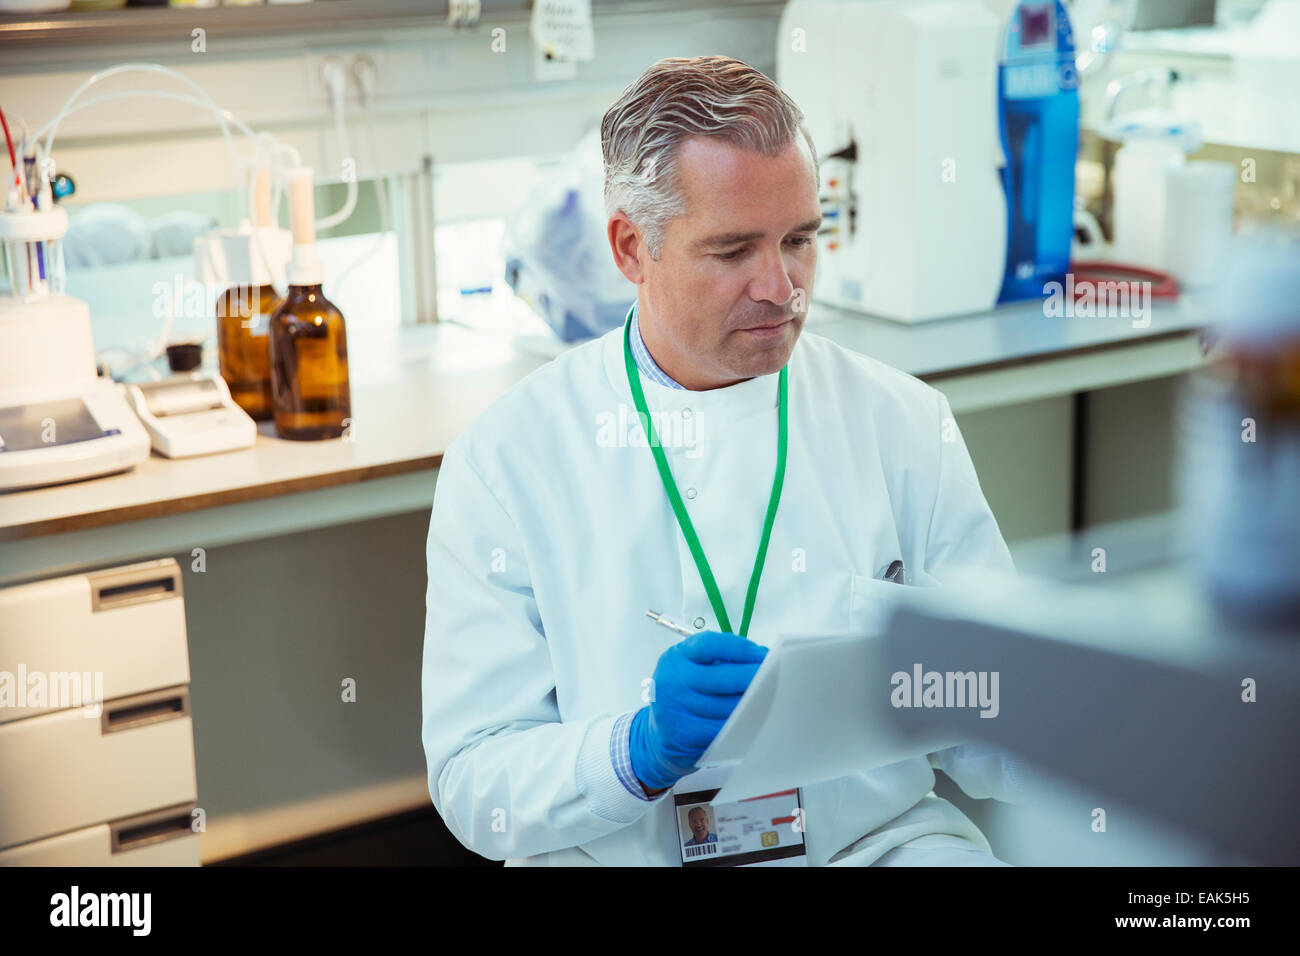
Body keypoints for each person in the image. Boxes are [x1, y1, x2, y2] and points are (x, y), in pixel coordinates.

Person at [422, 55, 1024, 867]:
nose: (781, 287)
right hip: (619, 853)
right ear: (633, 248)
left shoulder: (902, 422)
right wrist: (633, 752)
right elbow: (474, 782)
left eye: (800, 240)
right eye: (733, 250)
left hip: (871, 847)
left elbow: (998, 737)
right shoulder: (509, 462)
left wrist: (1055, 703)